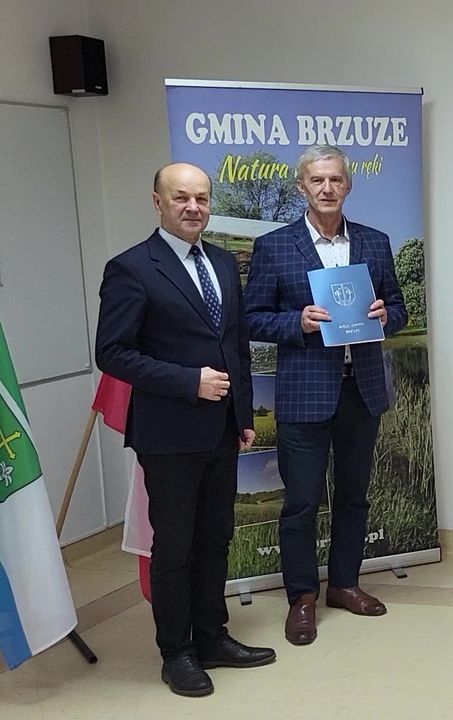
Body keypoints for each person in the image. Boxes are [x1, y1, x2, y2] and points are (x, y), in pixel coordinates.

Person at [96, 163, 275, 697]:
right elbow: (112, 352)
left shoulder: (221, 261)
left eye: (201, 198)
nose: (194, 207)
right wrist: (187, 381)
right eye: (181, 197)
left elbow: (235, 345)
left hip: (222, 430)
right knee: (174, 546)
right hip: (168, 434)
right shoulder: (131, 268)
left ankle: (213, 637)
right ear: (157, 201)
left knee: (216, 537)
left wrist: (243, 415)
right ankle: (176, 652)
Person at [243, 145, 407, 645]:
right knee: (301, 501)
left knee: (354, 497)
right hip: (305, 394)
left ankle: (343, 585)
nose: (327, 188)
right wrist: (297, 322)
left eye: (335, 179)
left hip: (363, 390)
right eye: (317, 180)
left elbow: (398, 308)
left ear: (348, 185)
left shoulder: (375, 242)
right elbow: (252, 318)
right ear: (302, 187)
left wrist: (387, 316)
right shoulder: (275, 246)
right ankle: (302, 597)